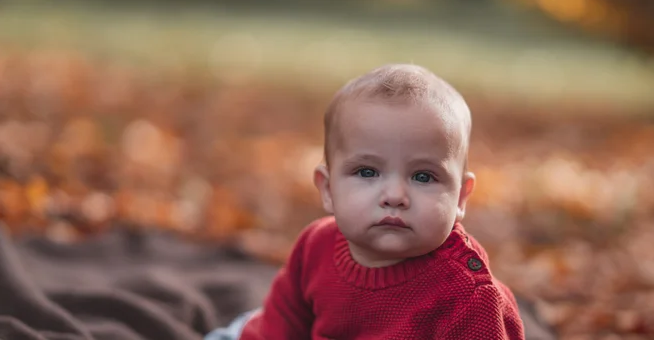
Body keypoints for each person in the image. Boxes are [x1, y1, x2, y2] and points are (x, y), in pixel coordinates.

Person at [206, 64, 525, 339]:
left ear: (460, 197)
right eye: (367, 172)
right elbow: (280, 326)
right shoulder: (316, 245)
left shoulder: (467, 298)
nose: (395, 196)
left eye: (423, 177)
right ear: (329, 190)